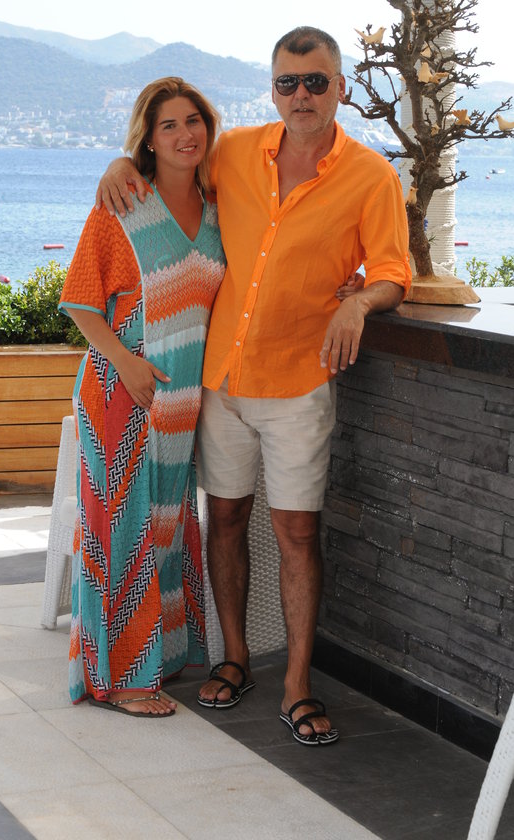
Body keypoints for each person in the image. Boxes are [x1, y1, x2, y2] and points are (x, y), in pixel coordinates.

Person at [96, 26, 412, 743]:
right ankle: (234, 657)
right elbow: (171, 162)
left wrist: (361, 301)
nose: (301, 95)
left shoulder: (372, 177)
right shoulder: (235, 151)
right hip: (222, 381)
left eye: (316, 81)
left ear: (340, 87)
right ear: (272, 90)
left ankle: (297, 683)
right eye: (287, 83)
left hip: (299, 382)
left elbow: (395, 270)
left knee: (298, 532)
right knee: (225, 518)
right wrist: (119, 160)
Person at [59, 77, 226, 717]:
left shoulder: (217, 207)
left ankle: (160, 655)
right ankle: (121, 679)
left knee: (166, 525)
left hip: (182, 399)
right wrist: (125, 362)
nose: (185, 134)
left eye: (193, 121)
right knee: (122, 529)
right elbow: (81, 300)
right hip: (121, 384)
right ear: (148, 140)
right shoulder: (123, 203)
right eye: (168, 126)